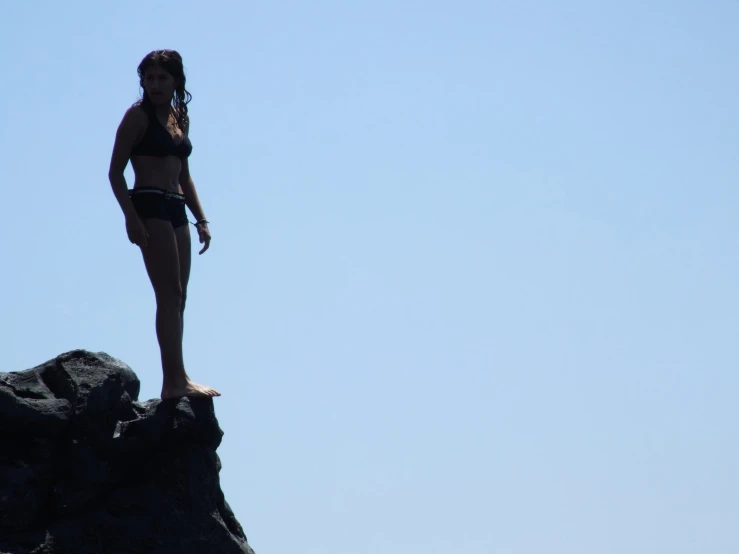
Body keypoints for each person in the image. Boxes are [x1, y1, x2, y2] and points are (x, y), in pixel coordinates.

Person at [108, 49, 220, 400]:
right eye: (149, 77)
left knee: (179, 296)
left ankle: (179, 376)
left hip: (175, 208)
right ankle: (174, 382)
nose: (154, 84)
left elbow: (185, 175)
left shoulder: (179, 117)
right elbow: (115, 173)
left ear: (176, 82)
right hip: (149, 204)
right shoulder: (136, 117)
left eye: (162, 78)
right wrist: (131, 217)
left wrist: (201, 218)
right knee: (167, 293)